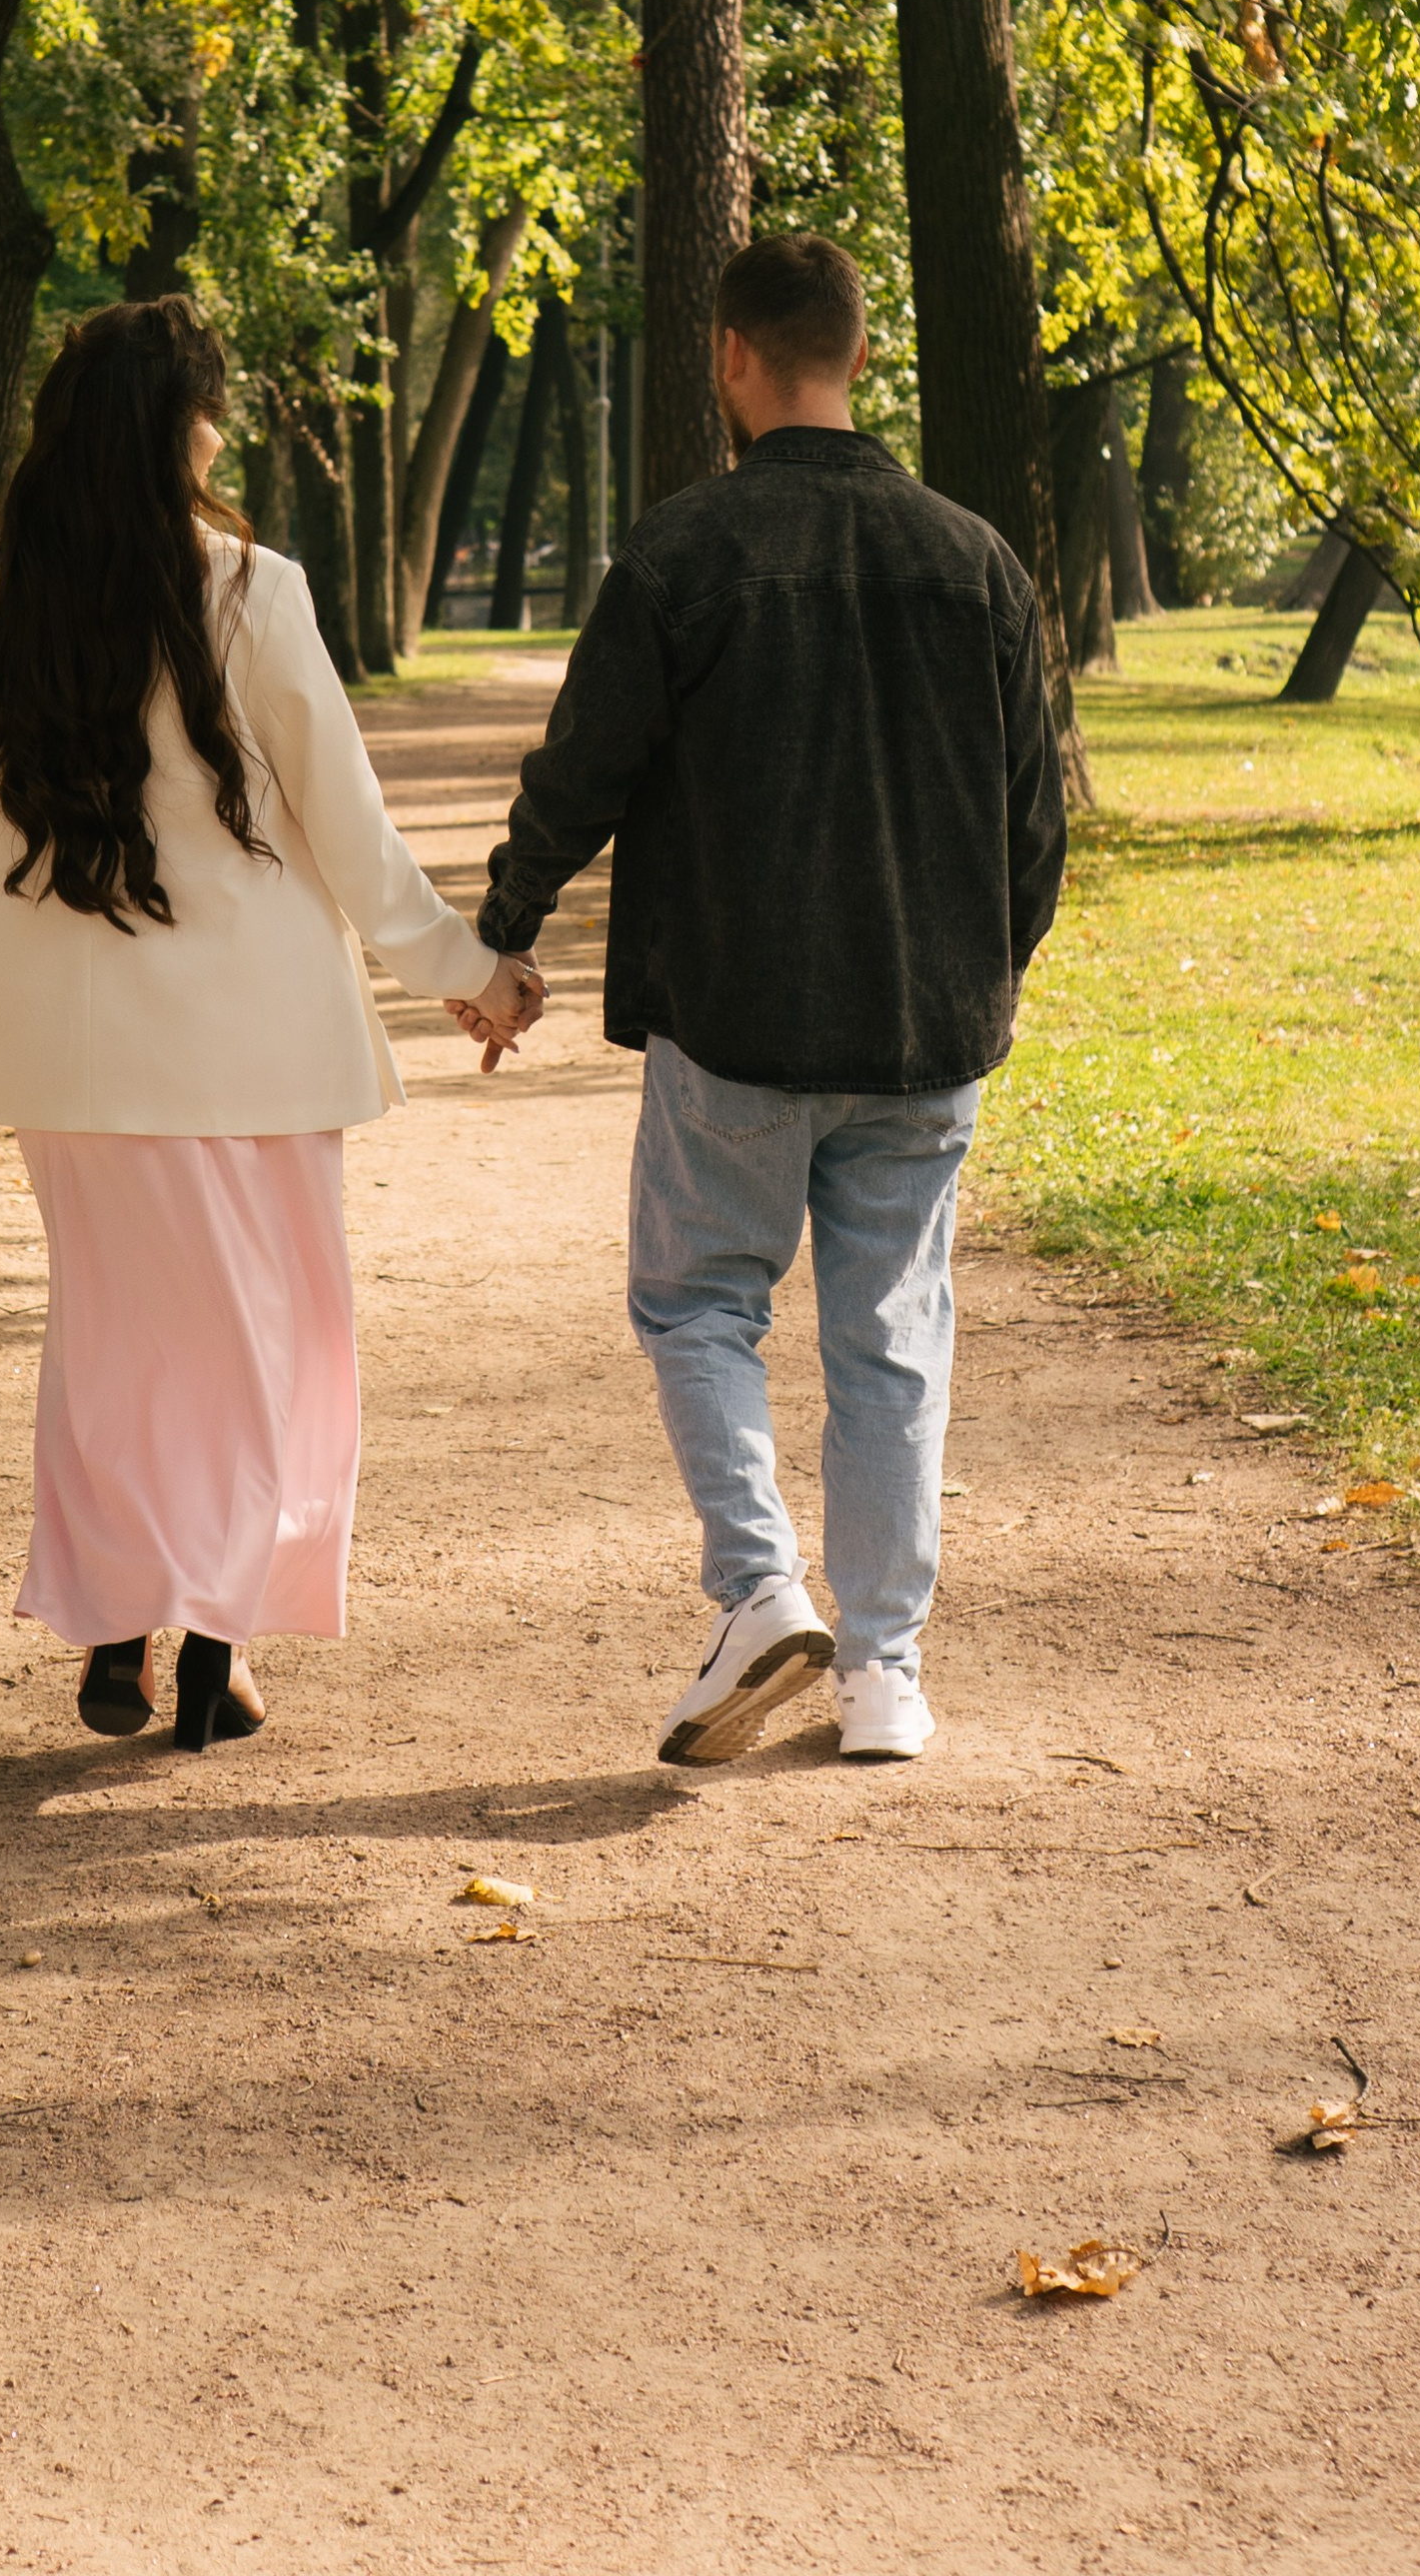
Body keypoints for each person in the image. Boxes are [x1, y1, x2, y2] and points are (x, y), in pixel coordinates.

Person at [0, 299, 542, 1754]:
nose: (221, 434)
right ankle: (219, 1644)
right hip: (244, 1043)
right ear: (183, 428)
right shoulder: (251, 588)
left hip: (65, 1049)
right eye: (215, 409)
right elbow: (347, 824)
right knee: (269, 1341)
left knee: (115, 1335)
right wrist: (469, 966)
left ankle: (119, 1631)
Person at [476, 233, 1065, 1767]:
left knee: (696, 1303)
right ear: (857, 357)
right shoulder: (975, 560)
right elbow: (1034, 821)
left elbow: (583, 768)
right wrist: (982, 977)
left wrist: (506, 929)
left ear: (733, 357)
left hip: (734, 1018)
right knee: (893, 1341)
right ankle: (884, 1675)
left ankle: (757, 1589)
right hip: (924, 1028)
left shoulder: (681, 556)